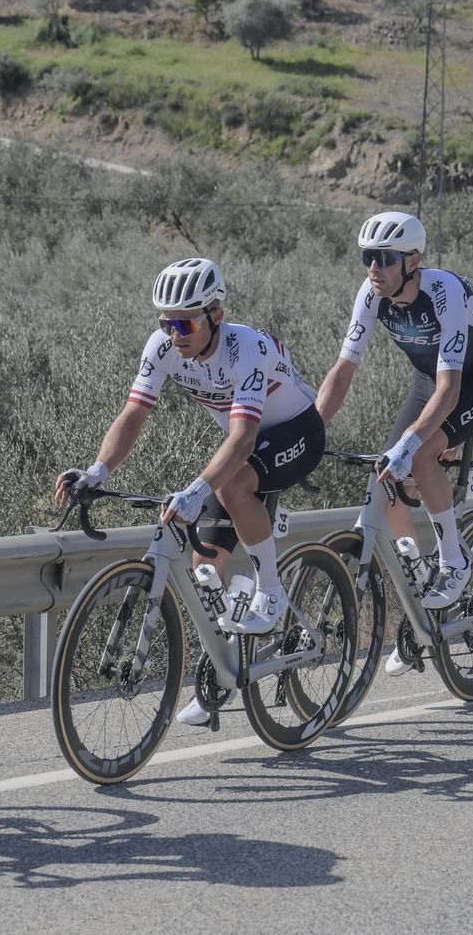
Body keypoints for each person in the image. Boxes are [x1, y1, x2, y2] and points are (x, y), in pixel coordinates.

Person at [54, 257, 324, 725]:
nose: (174, 333)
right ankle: (223, 673)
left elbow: (241, 438)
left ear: (215, 315)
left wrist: (197, 490)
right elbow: (133, 415)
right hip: (247, 440)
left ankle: (272, 590)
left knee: (236, 485)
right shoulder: (163, 347)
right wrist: (97, 471)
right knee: (205, 567)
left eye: (184, 322)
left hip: (297, 430)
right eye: (166, 322)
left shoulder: (247, 349)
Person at [314, 211, 473, 676]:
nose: (373, 268)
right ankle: (421, 601)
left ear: (413, 260)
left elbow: (451, 391)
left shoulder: (446, 293)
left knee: (417, 455)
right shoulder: (372, 294)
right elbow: (343, 372)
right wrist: (311, 431)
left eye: (383, 258)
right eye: (367, 258)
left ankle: (454, 562)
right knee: (387, 483)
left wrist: (412, 443)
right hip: (430, 380)